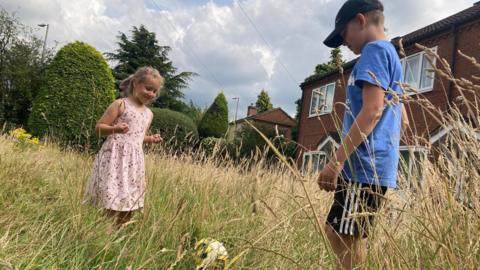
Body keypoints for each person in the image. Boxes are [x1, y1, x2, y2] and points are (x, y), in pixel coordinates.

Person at [318, 0, 408, 269]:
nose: (344, 43)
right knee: (350, 236)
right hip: (375, 166)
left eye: (343, 34)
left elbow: (372, 111)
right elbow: (399, 115)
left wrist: (336, 162)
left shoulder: (374, 51)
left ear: (360, 20)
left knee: (340, 234)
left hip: (364, 167)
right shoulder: (390, 53)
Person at [83, 66, 164, 228]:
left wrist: (150, 139)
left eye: (154, 91)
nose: (151, 94)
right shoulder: (120, 104)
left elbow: (138, 137)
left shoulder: (149, 114)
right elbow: (99, 127)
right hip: (115, 159)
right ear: (135, 83)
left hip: (133, 163)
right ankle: (104, 235)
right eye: (148, 89)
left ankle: (119, 235)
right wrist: (115, 129)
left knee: (128, 201)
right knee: (112, 199)